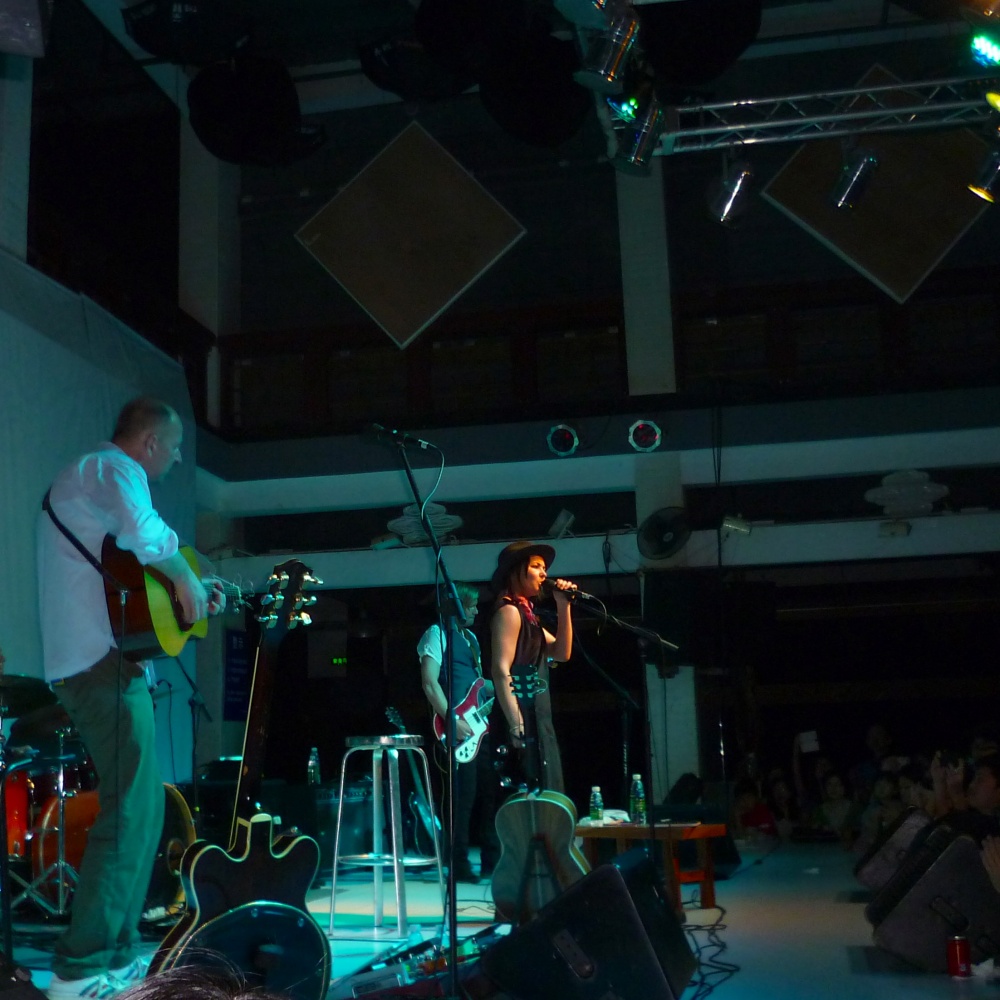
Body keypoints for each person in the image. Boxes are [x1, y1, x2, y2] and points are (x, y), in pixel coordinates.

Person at [37, 397, 226, 1000]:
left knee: (141, 811)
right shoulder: (110, 468)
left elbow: (137, 564)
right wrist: (186, 577)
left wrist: (190, 586)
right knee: (129, 812)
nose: (177, 459)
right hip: (97, 666)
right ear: (149, 443)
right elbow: (145, 533)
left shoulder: (94, 482)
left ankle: (114, 957)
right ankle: (79, 968)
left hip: (108, 664)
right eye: (174, 447)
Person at [417, 581, 500, 883]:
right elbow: (430, 683)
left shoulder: (472, 640)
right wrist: (451, 719)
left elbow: (480, 686)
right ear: (456, 607)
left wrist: (508, 685)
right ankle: (459, 864)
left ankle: (493, 860)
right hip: (457, 726)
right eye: (471, 606)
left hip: (479, 728)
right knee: (462, 799)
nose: (477, 611)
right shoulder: (436, 634)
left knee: (490, 794)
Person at [489, 541, 575, 793]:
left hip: (538, 717)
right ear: (516, 571)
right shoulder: (509, 612)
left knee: (548, 794)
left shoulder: (528, 616)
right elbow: (500, 669)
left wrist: (564, 606)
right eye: (536, 566)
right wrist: (516, 724)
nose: (544, 573)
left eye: (545, 568)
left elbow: (561, 653)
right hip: (521, 717)